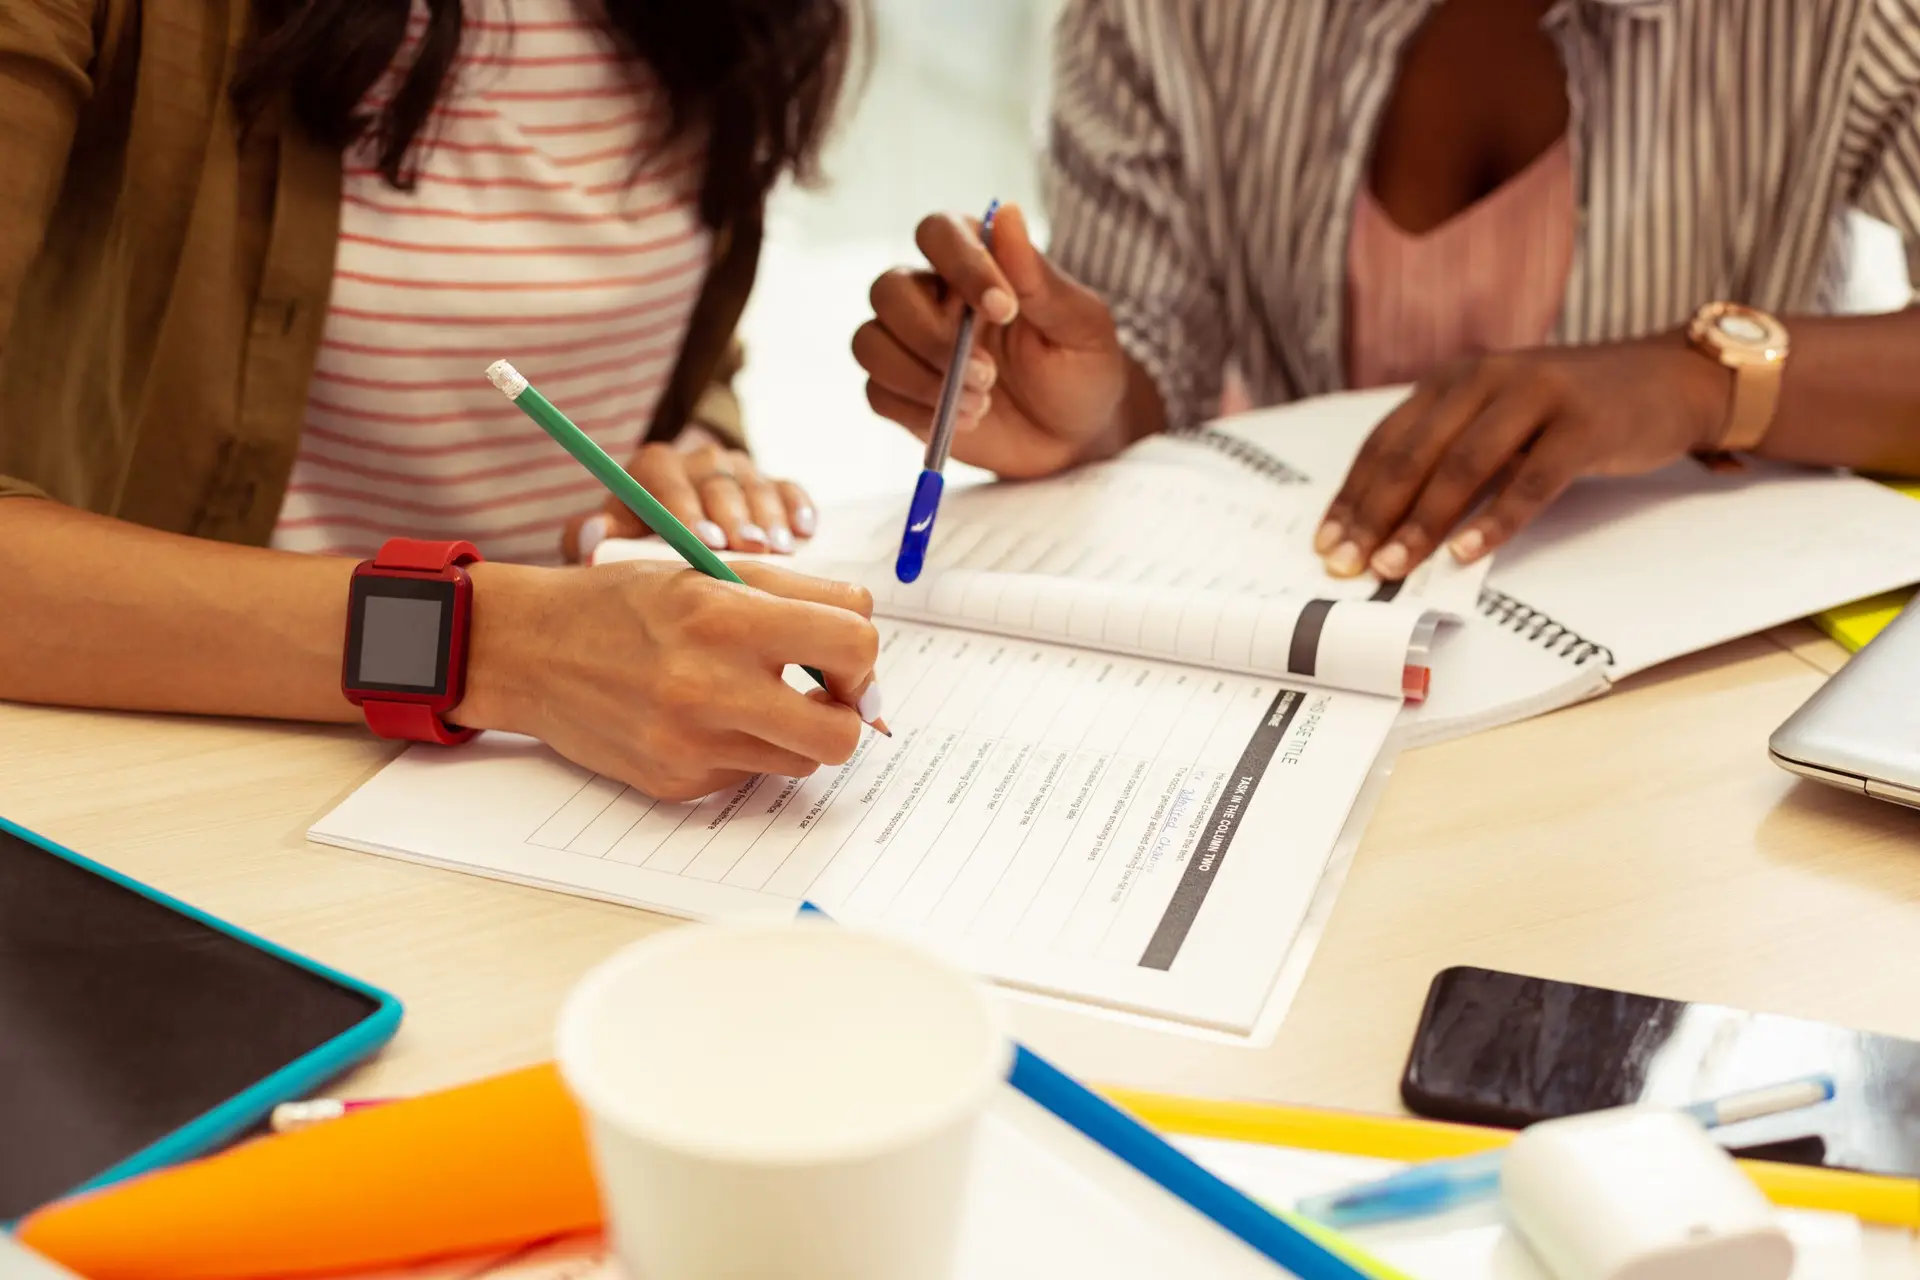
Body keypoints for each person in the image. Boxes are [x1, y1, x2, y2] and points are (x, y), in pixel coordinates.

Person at [0, 0, 881, 801]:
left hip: (580, 779)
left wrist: (690, 455)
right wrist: (501, 647)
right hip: (205, 780)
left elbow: (678, 345)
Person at [856, 0, 1920, 583]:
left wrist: (1698, 378)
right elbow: (1147, 369)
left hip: (1697, 689)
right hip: (1320, 634)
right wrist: (1078, 412)